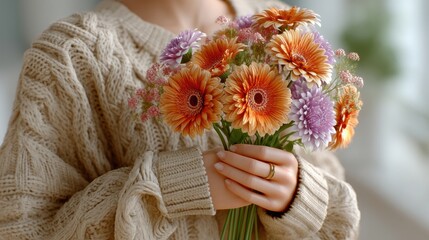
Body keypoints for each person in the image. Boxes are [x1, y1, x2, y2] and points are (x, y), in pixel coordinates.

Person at [0, 0, 360, 239]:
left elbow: (337, 213)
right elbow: (23, 229)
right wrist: (167, 189)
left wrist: (299, 195)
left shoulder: (280, 27)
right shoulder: (69, 56)